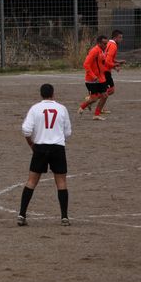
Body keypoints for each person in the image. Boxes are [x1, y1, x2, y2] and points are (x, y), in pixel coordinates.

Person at [17, 83, 73, 227]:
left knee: (31, 181)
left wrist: (31, 144)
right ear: (53, 94)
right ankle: (64, 217)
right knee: (61, 182)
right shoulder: (62, 108)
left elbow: (26, 130)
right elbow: (68, 133)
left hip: (40, 147)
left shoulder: (35, 108)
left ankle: (22, 214)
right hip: (57, 147)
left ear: (41, 94)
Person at [94, 30, 126, 117]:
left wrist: (117, 62)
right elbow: (108, 61)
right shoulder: (113, 46)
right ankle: (92, 99)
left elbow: (107, 58)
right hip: (105, 70)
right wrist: (115, 65)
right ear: (115, 38)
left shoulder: (109, 44)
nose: (121, 39)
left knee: (107, 90)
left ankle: (99, 106)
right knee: (111, 90)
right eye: (120, 37)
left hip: (103, 69)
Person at [77, 35, 109, 120]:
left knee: (105, 95)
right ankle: (82, 107)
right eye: (104, 43)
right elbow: (86, 64)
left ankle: (96, 115)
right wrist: (93, 76)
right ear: (99, 43)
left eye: (106, 43)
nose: (106, 45)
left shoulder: (102, 51)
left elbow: (101, 64)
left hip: (100, 79)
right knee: (94, 98)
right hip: (92, 80)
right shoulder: (94, 51)